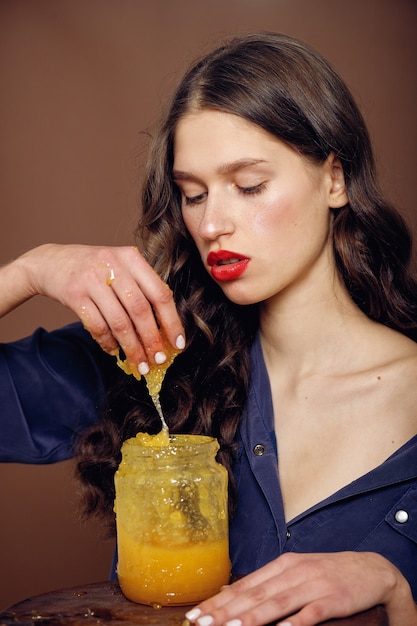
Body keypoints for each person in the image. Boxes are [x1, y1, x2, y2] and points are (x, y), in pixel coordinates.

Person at [1, 32, 417, 626]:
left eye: (249, 186)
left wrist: (397, 586)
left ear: (335, 179)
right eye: (192, 195)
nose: (213, 222)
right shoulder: (152, 361)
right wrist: (28, 269)